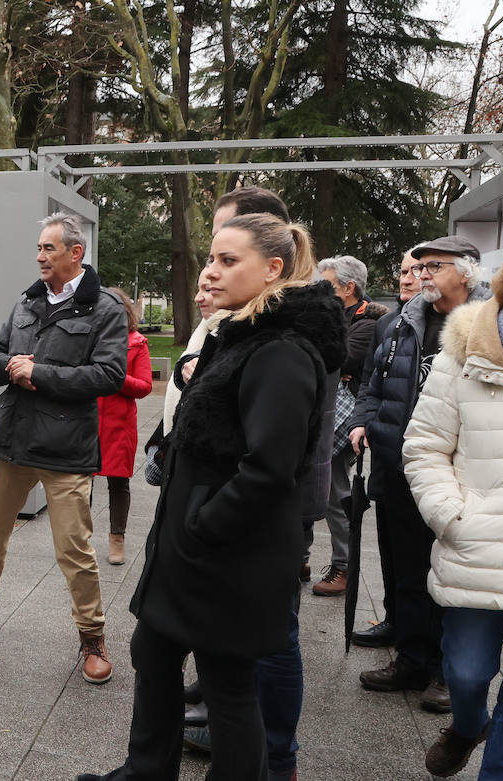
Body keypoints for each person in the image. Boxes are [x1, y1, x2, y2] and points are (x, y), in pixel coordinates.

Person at [78, 213, 344, 781]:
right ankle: (147, 770)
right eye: (210, 259)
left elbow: (270, 468)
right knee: (154, 655)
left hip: (227, 553)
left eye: (228, 260)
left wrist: (204, 526)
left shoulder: (282, 351)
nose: (212, 272)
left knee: (227, 684)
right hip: (191, 547)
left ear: (272, 269)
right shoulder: (240, 335)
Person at [0, 212, 127, 684]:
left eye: (48, 248)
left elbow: (109, 376)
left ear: (76, 253)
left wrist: (39, 374)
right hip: (13, 441)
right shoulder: (27, 300)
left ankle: (92, 636)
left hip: (66, 449)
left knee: (75, 548)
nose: (39, 256)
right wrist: (10, 366)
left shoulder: (104, 308)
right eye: (38, 248)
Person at [402, 237, 503, 780]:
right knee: (465, 674)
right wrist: (451, 515)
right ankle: (467, 726)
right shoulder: (462, 358)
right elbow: (424, 447)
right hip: (478, 544)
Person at [348, 235, 489, 712]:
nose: (423, 273)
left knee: (455, 577)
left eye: (435, 266)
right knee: (405, 569)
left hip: (462, 475)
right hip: (398, 465)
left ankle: (448, 674)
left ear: (467, 271)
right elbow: (371, 382)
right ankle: (411, 659)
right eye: (420, 266)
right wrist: (363, 420)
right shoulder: (399, 323)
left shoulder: (494, 325)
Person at [348, 248, 421, 647]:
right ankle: (396, 623)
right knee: (392, 548)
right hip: (388, 457)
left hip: (435, 464)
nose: (406, 279)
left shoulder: (460, 324)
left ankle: (430, 654)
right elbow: (369, 382)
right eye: (403, 271)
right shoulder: (389, 323)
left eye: (417, 271)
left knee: (425, 560)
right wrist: (361, 420)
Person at [312, 256, 389, 597]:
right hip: (322, 411)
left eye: (327, 285)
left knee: (333, 491)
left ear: (348, 288)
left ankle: (344, 566)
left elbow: (339, 358)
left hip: (345, 417)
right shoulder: (331, 315)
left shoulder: (367, 322)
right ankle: (301, 558)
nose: (320, 291)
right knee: (313, 483)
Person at [97, 288, 153, 565]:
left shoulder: (137, 343)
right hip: (88, 422)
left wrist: (115, 378)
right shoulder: (90, 339)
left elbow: (144, 386)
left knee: (118, 483)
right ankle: (77, 539)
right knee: (78, 483)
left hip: (119, 425)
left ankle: (116, 538)